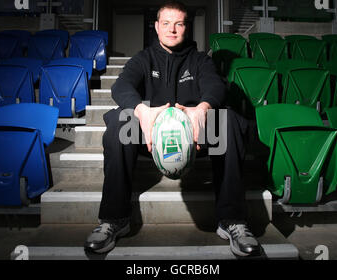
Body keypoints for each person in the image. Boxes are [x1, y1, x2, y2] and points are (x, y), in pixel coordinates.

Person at [84, 1, 260, 257]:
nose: (172, 30)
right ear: (156, 26)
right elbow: (120, 86)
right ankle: (115, 219)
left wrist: (202, 110)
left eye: (178, 24)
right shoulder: (143, 58)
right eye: (166, 23)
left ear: (186, 27)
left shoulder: (200, 60)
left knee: (230, 120)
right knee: (117, 123)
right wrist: (142, 112)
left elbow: (216, 86)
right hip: (153, 133)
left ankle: (232, 220)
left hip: (194, 132)